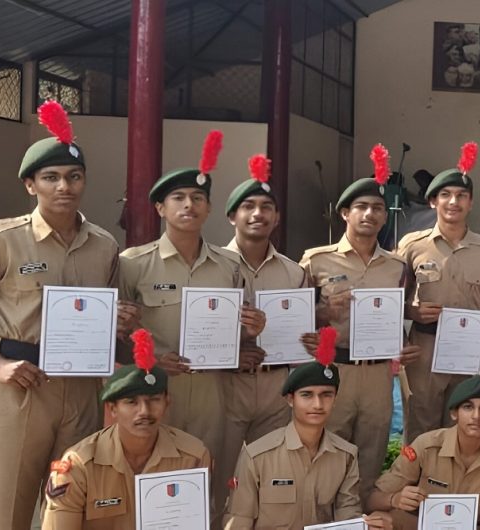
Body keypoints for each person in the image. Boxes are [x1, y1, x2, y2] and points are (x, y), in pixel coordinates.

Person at [0, 101, 134, 530]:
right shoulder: (0, 240)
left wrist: (120, 323)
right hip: (18, 386)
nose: (64, 186)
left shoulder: (104, 247)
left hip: (81, 388)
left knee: (70, 506)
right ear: (31, 185)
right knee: (7, 509)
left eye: (74, 176)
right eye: (51, 177)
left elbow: (112, 322)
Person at [117, 131, 265, 516]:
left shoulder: (229, 267)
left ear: (209, 208)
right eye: (178, 198)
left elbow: (238, 333)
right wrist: (146, 361)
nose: (189, 205)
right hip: (152, 389)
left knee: (208, 477)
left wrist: (250, 329)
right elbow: (115, 334)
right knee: (147, 478)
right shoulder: (133, 263)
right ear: (160, 209)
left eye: (198, 198)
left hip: (213, 393)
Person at [299, 145, 420, 499]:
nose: (370, 214)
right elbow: (295, 315)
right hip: (334, 368)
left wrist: (403, 347)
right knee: (327, 448)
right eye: (361, 207)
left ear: (385, 216)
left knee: (372, 448)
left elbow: (399, 316)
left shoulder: (397, 267)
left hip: (378, 374)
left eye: (378, 208)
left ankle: (362, 517)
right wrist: (322, 314)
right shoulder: (315, 261)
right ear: (345, 214)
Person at [41, 330, 212, 529]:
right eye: (131, 402)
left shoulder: (193, 456)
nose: (144, 412)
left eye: (154, 400)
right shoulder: (79, 464)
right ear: (112, 408)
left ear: (167, 402)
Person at [218, 153, 313, 510]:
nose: (258, 213)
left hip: (275, 390)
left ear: (277, 218)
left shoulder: (294, 272)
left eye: (267, 207)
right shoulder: (213, 266)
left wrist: (310, 341)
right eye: (248, 206)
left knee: (273, 480)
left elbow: (300, 331)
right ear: (232, 216)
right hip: (227, 389)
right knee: (219, 477)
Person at [225, 327, 391, 529]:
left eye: (326, 395)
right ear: (290, 400)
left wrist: (362, 525)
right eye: (307, 395)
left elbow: (347, 512)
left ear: (335, 400)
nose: (317, 404)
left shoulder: (346, 455)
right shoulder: (257, 456)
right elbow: (239, 520)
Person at [396, 143, 480, 442]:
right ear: (433, 202)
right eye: (445, 195)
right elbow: (392, 302)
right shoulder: (412, 246)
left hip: (469, 352)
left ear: (470, 203)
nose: (453, 201)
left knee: (466, 431)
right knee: (421, 431)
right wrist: (411, 311)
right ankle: (416, 488)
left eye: (461, 196)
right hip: (424, 349)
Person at [369, 342, 480, 530]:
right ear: (454, 414)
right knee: (378, 520)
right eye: (468, 407)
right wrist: (395, 499)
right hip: (424, 526)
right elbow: (373, 499)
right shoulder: (426, 446)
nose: (476, 416)